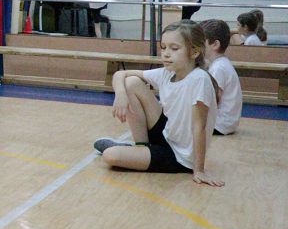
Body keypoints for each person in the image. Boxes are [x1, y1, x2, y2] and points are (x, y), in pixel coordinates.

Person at [93, 20, 223, 186]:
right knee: (131, 82)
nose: (166, 54)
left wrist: (199, 170)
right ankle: (141, 147)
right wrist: (121, 95)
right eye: (163, 47)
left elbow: (200, 127)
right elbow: (120, 74)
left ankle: (129, 152)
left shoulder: (199, 79)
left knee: (110, 156)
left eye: (174, 48)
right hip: (166, 135)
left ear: (194, 52)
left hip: (179, 157)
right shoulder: (167, 73)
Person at [199, 18, 243, 136]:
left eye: (201, 42)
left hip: (219, 124)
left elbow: (214, 100)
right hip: (225, 123)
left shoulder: (218, 68)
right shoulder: (220, 64)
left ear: (215, 44)